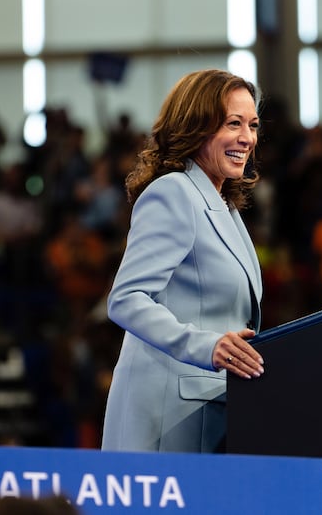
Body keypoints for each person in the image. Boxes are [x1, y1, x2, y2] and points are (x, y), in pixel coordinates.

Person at [100, 69, 265, 453]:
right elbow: (126, 299)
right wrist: (205, 346)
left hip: (209, 413)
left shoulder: (225, 206)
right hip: (165, 418)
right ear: (196, 127)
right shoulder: (174, 193)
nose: (248, 137)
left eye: (253, 125)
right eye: (234, 123)